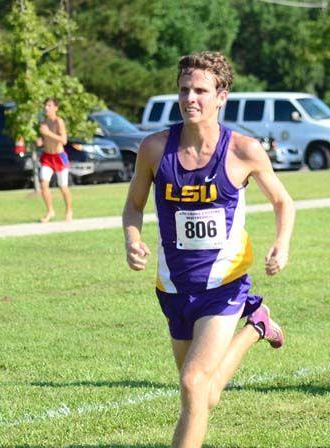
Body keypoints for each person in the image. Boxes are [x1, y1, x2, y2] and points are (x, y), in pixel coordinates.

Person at [122, 51, 295, 448]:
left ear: (222, 96)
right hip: (173, 288)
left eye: (201, 90)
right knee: (203, 395)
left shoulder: (244, 151)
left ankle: (250, 318)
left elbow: (284, 202)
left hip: (225, 285)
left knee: (192, 382)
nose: (190, 99)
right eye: (184, 90)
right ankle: (256, 326)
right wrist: (133, 239)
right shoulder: (154, 149)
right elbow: (133, 206)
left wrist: (280, 244)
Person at [38, 97, 72, 222]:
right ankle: (50, 211)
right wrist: (41, 141)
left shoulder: (59, 122)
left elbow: (64, 140)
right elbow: (44, 138)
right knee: (43, 184)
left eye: (49, 105)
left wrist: (48, 134)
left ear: (55, 108)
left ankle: (69, 210)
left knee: (63, 186)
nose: (46, 108)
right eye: (45, 105)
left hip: (59, 157)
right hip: (47, 157)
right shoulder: (43, 123)